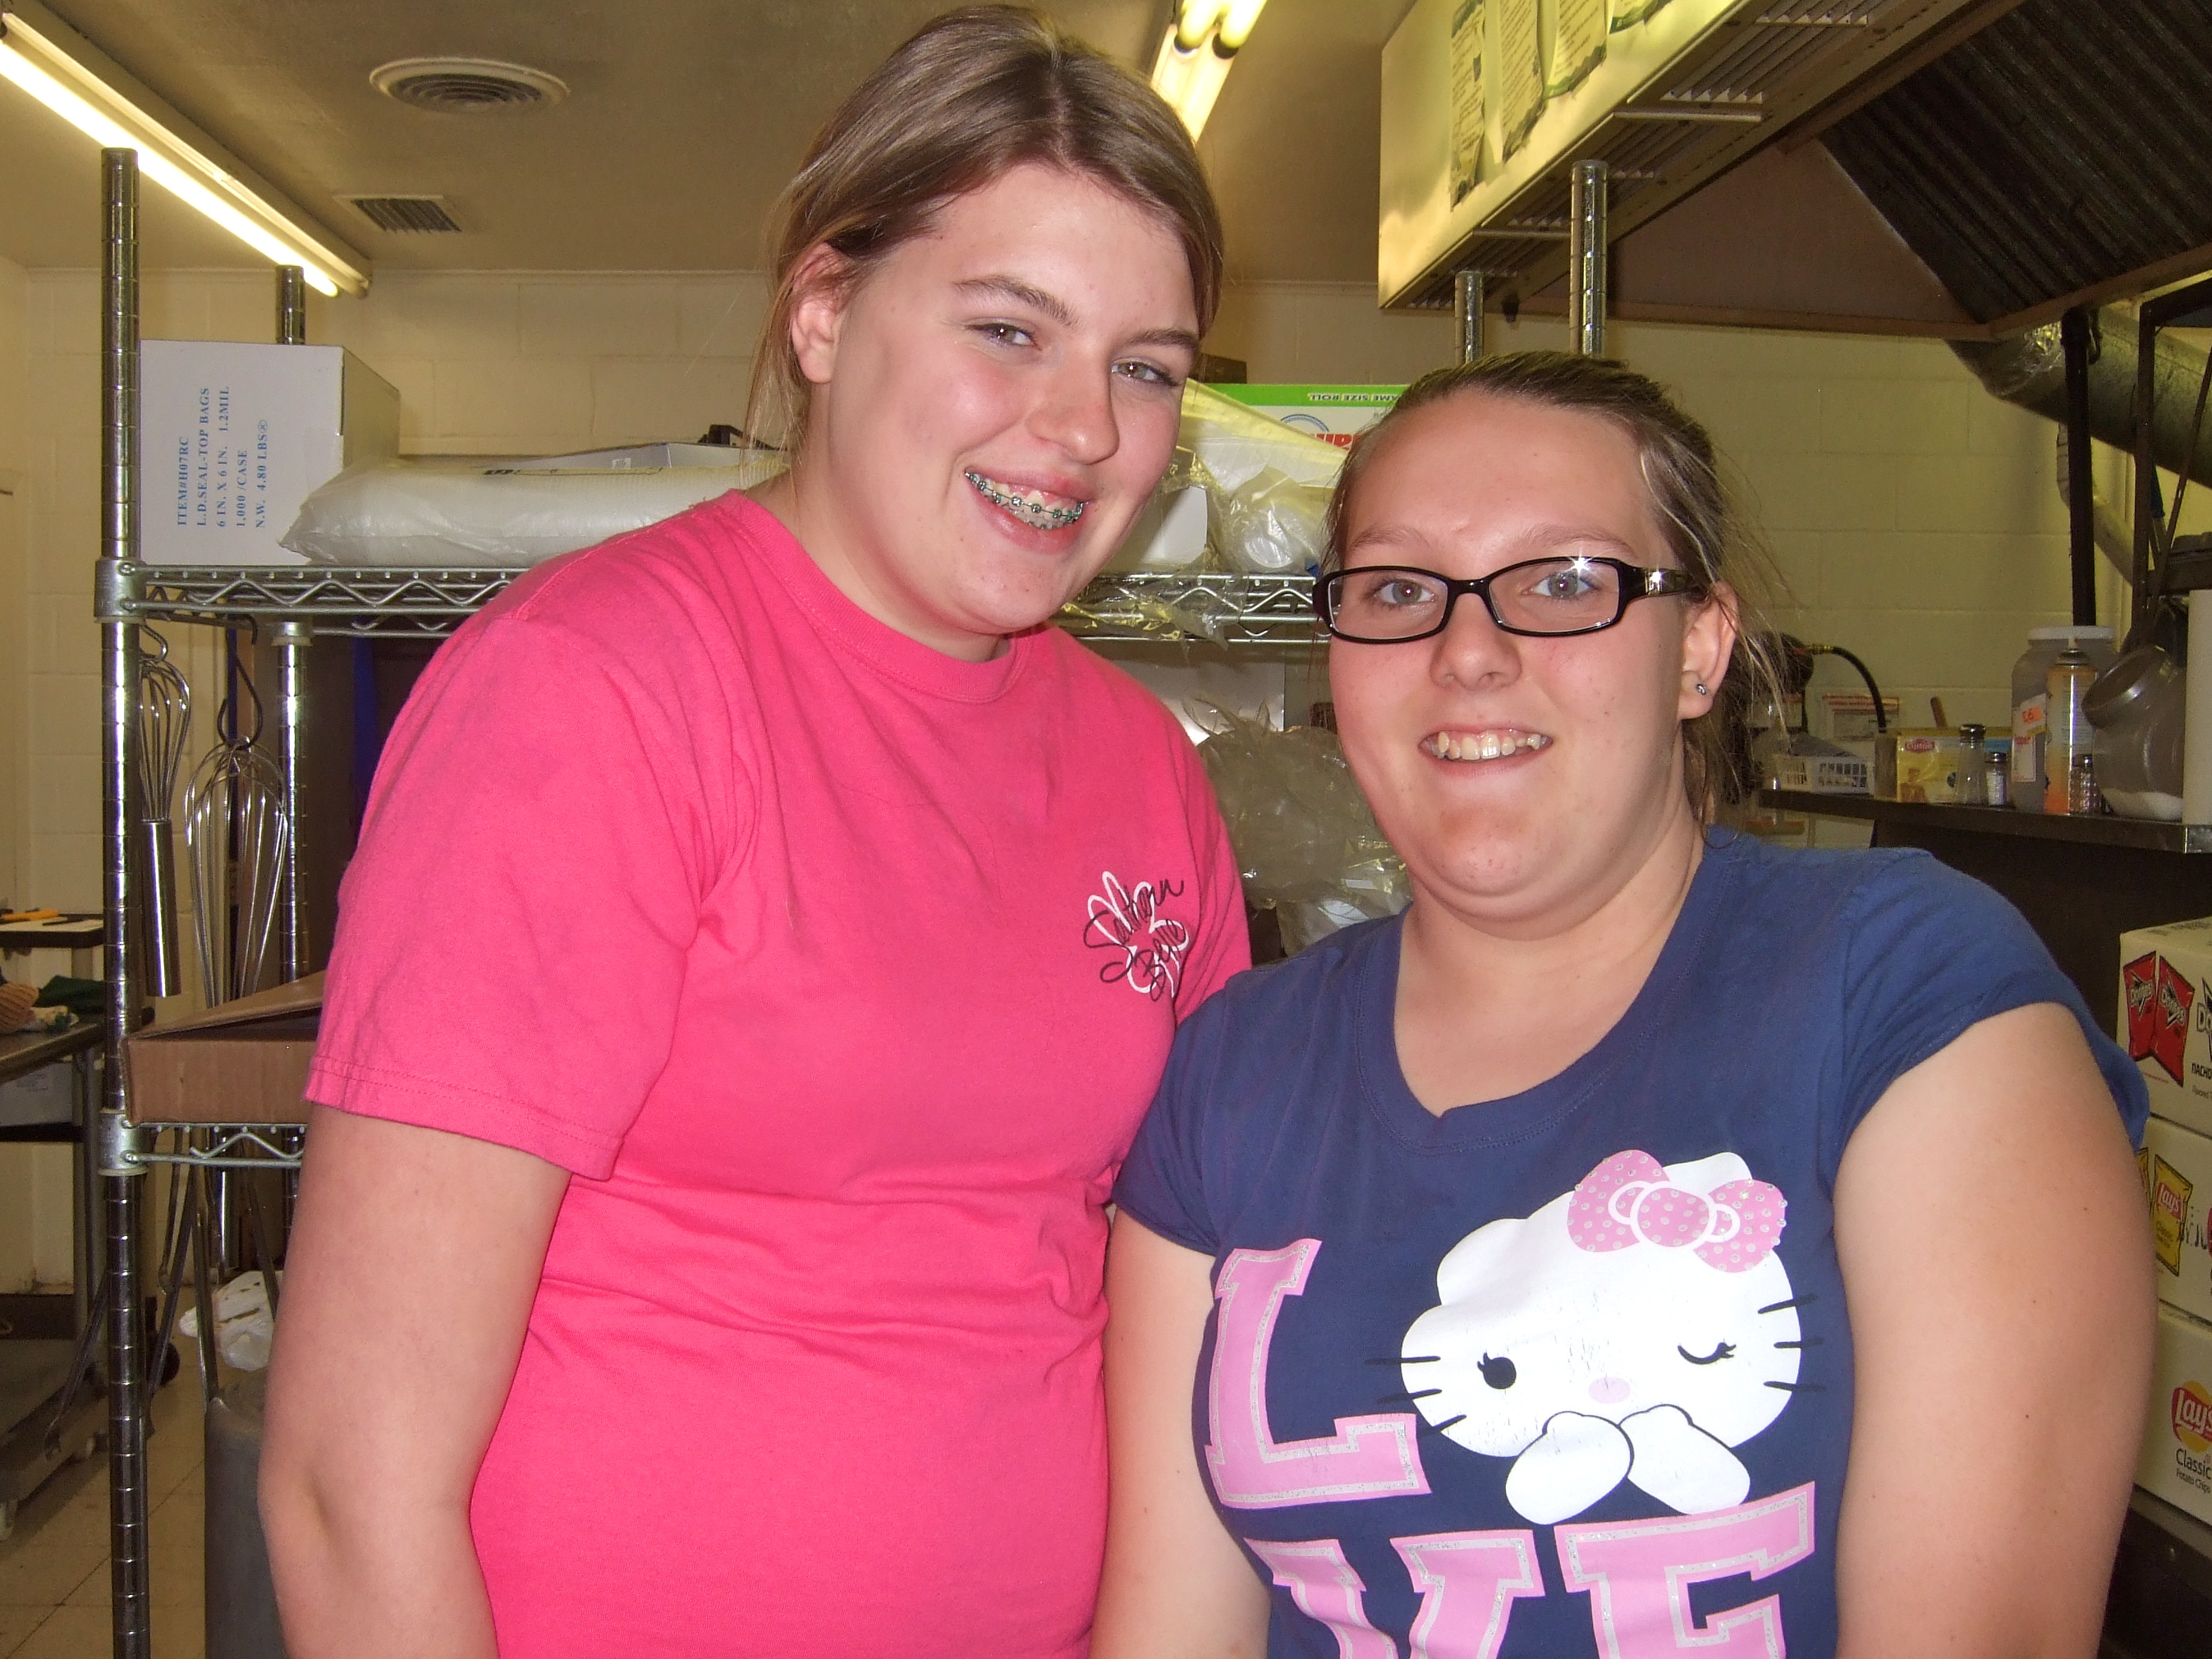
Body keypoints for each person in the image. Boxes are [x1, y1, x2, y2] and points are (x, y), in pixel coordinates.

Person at [259, 11, 1248, 1657]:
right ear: (824, 309)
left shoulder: (1143, 768)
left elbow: (1181, 1308)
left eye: (1145, 366)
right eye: (1010, 330)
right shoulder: (597, 692)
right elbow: (346, 1480)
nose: (1084, 426)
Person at [1091, 352, 2154, 1659]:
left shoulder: (1894, 988)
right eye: (1397, 589)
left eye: (1562, 582)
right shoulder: (1232, 1073)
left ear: (1699, 650)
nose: (1466, 653)